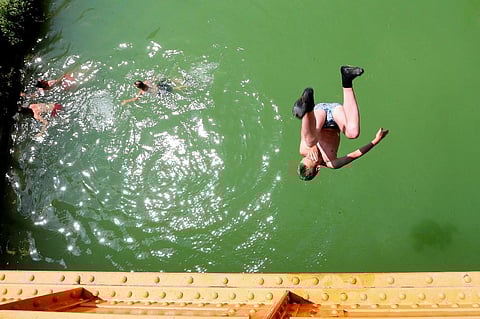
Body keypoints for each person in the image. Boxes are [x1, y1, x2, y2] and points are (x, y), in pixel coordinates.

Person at [293, 65, 389, 181]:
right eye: (312, 159)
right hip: (335, 116)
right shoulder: (332, 163)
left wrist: (312, 146)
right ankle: (347, 78)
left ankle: (307, 106)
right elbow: (355, 155)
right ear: (318, 168)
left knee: (309, 141)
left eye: (306, 157)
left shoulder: (303, 150)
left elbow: (305, 134)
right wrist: (376, 141)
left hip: (319, 114)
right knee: (353, 133)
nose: (310, 155)